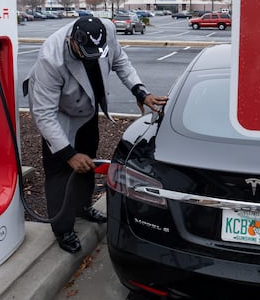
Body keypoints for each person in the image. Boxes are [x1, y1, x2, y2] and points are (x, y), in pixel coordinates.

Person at [25, 16, 168, 253]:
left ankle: (82, 207)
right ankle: (63, 229)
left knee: (87, 161)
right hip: (59, 112)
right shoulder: (51, 58)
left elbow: (120, 60)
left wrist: (140, 91)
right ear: (72, 41)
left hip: (88, 107)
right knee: (60, 171)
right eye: (85, 54)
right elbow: (43, 114)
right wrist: (68, 153)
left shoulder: (108, 29)